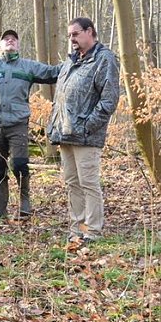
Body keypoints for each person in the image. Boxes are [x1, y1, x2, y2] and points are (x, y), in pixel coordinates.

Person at [0, 30, 61, 220]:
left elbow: (52, 73)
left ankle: (24, 200)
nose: (10, 41)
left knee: (19, 164)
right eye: (6, 39)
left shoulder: (28, 67)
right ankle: (0, 209)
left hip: (17, 123)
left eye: (14, 39)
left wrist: (75, 62)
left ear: (18, 45)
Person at [46, 17, 120, 244]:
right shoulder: (71, 62)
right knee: (72, 183)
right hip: (65, 134)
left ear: (90, 32)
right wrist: (54, 126)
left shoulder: (104, 59)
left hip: (87, 136)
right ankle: (77, 229)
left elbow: (109, 100)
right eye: (69, 35)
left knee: (88, 183)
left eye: (76, 34)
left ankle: (93, 231)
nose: (72, 39)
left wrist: (88, 126)